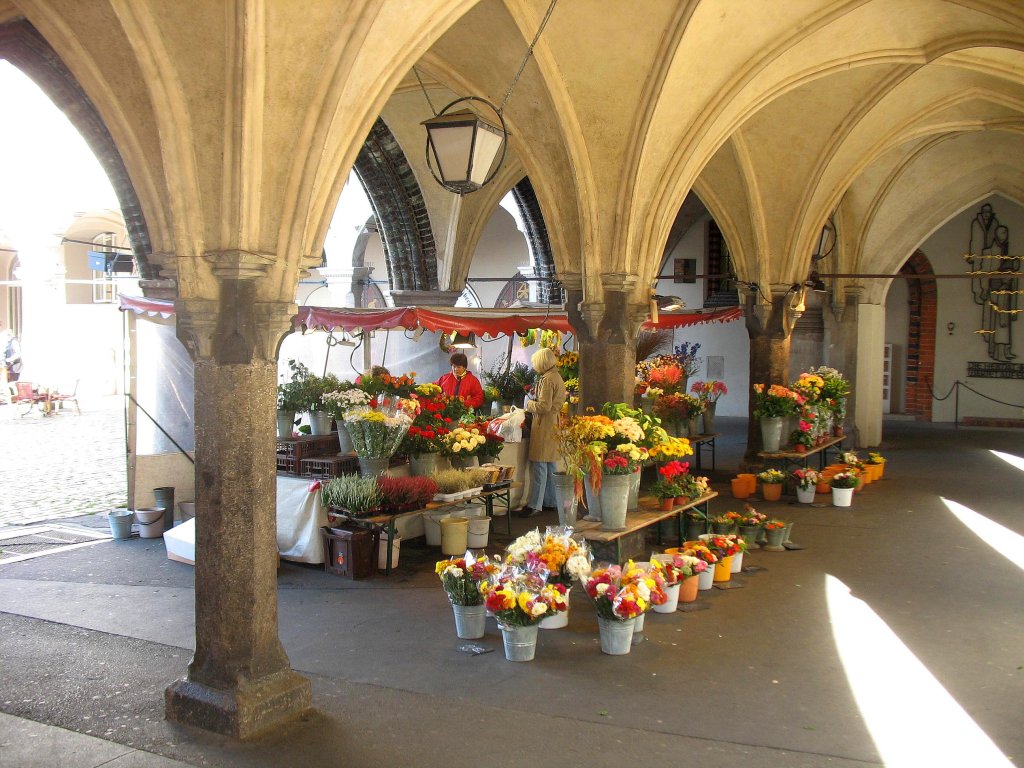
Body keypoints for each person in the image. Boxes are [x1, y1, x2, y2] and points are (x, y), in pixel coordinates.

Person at [517, 347, 567, 518]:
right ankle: (551, 501)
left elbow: (544, 406)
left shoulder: (547, 379)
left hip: (544, 424)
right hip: (553, 423)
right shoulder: (557, 377)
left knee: (539, 465)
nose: (533, 365)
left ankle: (534, 505)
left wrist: (529, 404)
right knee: (551, 464)